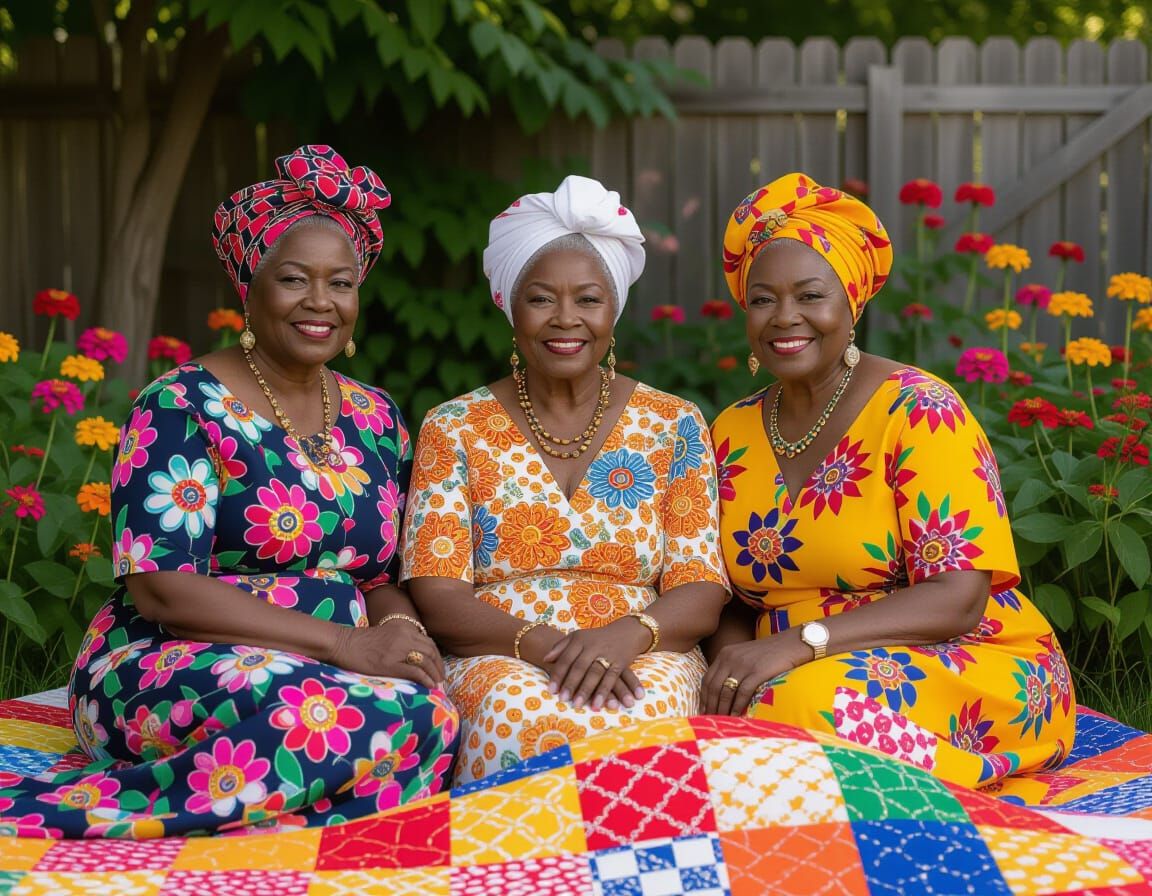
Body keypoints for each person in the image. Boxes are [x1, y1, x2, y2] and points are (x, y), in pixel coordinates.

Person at [0, 145, 458, 838]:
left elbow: (379, 576)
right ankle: (93, 816)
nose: (320, 303)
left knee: (431, 712)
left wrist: (398, 630)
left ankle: (267, 826)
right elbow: (162, 591)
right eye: (295, 279)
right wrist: (344, 645)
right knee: (328, 715)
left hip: (330, 663)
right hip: (169, 658)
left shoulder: (376, 418)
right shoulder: (182, 404)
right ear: (250, 286)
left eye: (341, 283)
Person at [701, 172, 1076, 788]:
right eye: (763, 298)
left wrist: (798, 645)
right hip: (790, 668)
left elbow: (958, 597)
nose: (784, 317)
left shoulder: (919, 410)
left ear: (852, 302)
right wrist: (729, 667)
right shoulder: (731, 431)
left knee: (803, 707)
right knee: (699, 699)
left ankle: (948, 803)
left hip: (963, 660)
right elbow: (724, 595)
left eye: (810, 295)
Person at [403, 175, 728, 783]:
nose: (565, 319)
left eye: (588, 298)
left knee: (643, 710)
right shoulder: (454, 426)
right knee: (513, 711)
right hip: (499, 652)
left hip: (644, 649)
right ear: (509, 305)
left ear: (613, 310)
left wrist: (623, 638)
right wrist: (549, 645)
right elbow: (439, 595)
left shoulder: (674, 422)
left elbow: (701, 586)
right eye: (541, 298)